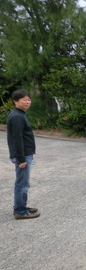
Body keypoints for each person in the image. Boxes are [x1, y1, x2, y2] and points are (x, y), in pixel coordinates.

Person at [7, 89, 40, 220]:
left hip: (25, 154)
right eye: (24, 100)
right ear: (15, 101)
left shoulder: (20, 114)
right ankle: (20, 211)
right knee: (22, 183)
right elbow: (17, 139)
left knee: (23, 182)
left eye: (28, 99)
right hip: (22, 155)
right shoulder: (16, 116)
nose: (27, 102)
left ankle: (22, 206)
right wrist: (21, 159)